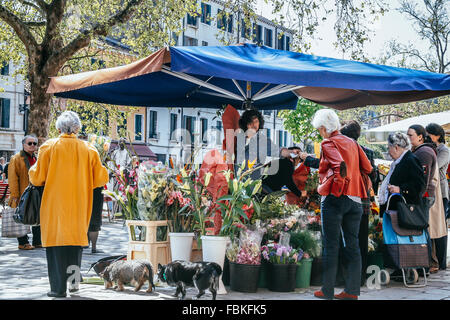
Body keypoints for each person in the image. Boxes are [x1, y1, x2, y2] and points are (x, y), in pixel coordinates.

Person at [29, 111, 109, 298]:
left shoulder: (48, 147)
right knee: (75, 245)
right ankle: (73, 284)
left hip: (54, 205)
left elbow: (37, 177)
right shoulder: (89, 149)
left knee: (56, 246)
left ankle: (57, 289)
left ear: (57, 129)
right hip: (79, 206)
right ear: (78, 129)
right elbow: (100, 178)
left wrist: (33, 169)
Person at [311, 109, 372, 301]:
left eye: (319, 130)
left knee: (331, 244)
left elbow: (339, 167)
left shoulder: (328, 142)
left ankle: (327, 290)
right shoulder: (352, 142)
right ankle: (352, 291)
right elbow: (368, 168)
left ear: (323, 128)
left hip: (335, 197)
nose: (320, 133)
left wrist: (337, 188)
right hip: (355, 199)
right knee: (352, 245)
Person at [377, 132, 426, 274]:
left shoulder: (410, 160)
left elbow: (419, 185)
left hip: (404, 208)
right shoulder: (399, 161)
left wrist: (401, 189)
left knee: (403, 237)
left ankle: (403, 267)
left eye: (389, 148)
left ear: (397, 147)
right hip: (396, 207)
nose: (388, 151)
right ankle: (399, 267)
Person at [340, 120, 377, 285]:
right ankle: (360, 277)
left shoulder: (342, 151)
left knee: (345, 238)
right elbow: (374, 177)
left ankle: (345, 276)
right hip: (363, 202)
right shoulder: (368, 152)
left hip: (346, 200)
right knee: (361, 238)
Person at [407, 124, 444, 274]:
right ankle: (427, 263)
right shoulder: (420, 150)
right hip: (424, 196)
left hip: (424, 196)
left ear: (420, 136)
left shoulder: (425, 152)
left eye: (411, 135)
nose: (408, 138)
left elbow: (423, 179)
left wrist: (418, 196)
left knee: (424, 230)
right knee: (424, 229)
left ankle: (428, 263)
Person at [236, 109, 296, 180]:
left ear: (259, 123)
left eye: (256, 121)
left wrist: (292, 152)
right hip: (236, 182)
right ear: (246, 124)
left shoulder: (263, 141)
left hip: (252, 184)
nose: (254, 125)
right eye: (250, 122)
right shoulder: (238, 138)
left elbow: (279, 151)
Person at [8, 135, 42, 250]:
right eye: (30, 143)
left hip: (36, 193)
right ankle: (23, 242)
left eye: (35, 143)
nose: (33, 145)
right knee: (22, 216)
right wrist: (15, 195)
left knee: (37, 216)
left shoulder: (37, 158)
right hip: (22, 193)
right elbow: (12, 178)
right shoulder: (16, 158)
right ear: (23, 145)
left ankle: (38, 241)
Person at [425, 123, 449, 271]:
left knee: (441, 227)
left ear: (437, 135)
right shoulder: (431, 149)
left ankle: (440, 261)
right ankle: (433, 260)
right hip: (433, 191)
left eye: (429, 134)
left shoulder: (444, 150)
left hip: (441, 192)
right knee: (433, 226)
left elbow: (436, 165)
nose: (427, 137)